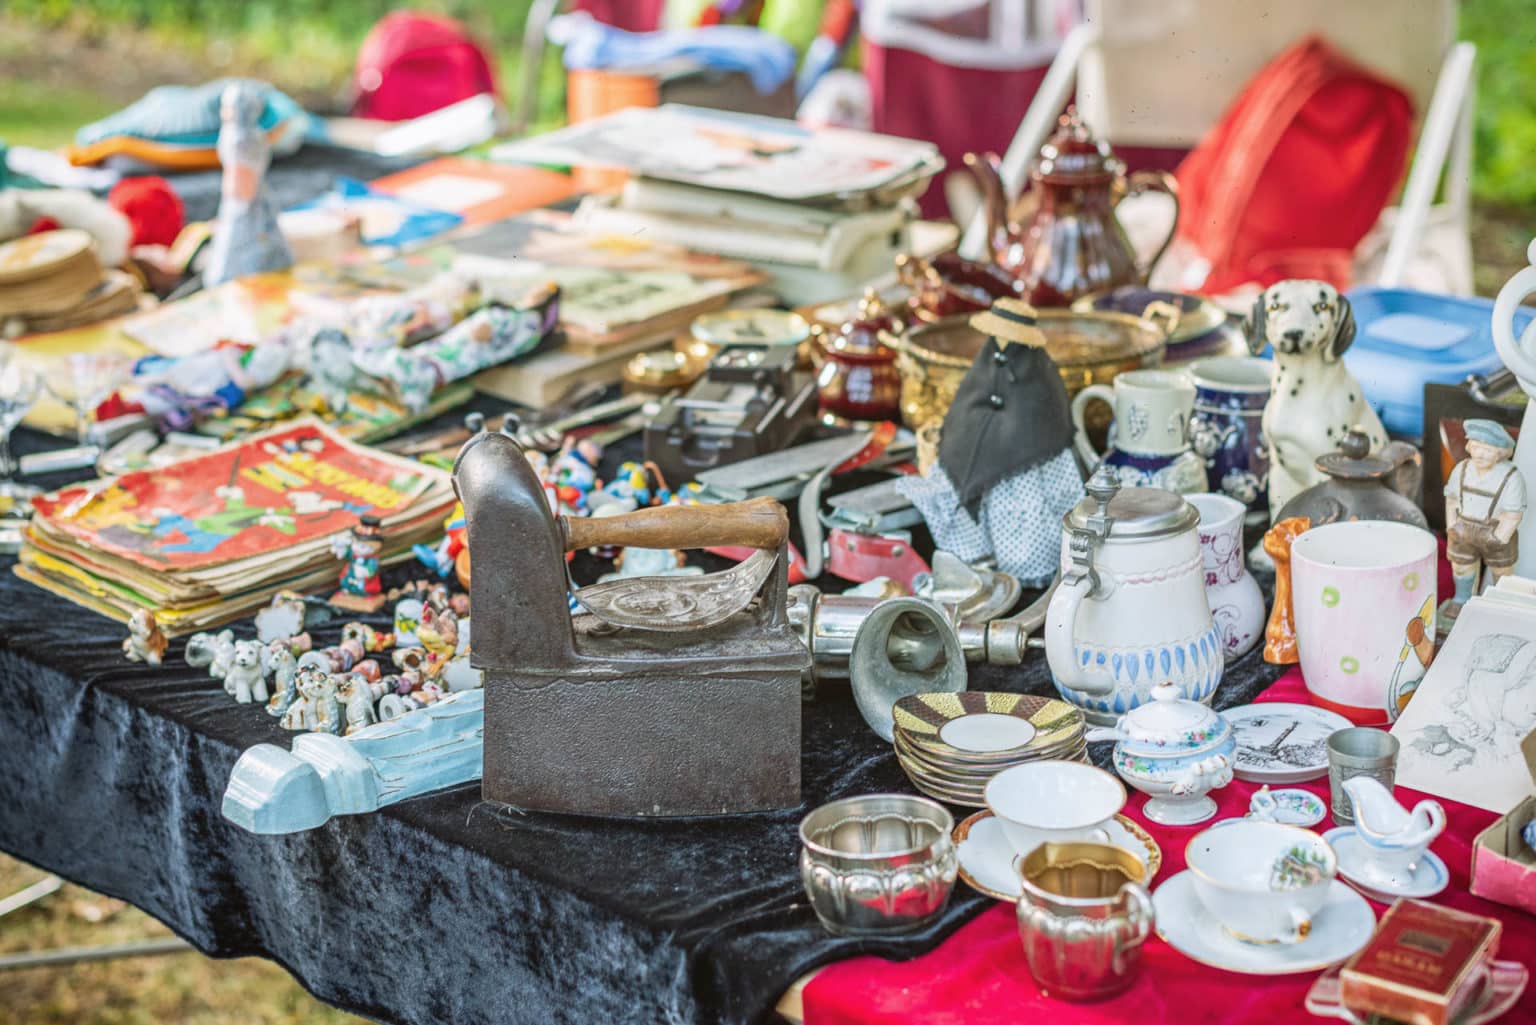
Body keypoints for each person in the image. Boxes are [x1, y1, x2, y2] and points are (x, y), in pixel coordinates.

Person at [897, 297, 1083, 586]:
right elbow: (967, 404)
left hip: (1025, 464)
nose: (1000, 339)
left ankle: (1025, 572)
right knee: (978, 510)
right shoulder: (988, 361)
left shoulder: (1039, 371)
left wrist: (1009, 435)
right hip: (987, 460)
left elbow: (1045, 415)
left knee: (1022, 518)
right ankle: (976, 562)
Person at [1442, 419, 1526, 621]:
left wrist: (1499, 537)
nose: (1480, 454)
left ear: (1500, 453)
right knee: (1462, 566)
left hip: (1495, 531)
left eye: (1487, 450)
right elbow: (1452, 500)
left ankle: (1501, 604)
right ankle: (1463, 599)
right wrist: (1452, 525)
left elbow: (1513, 514)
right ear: (1470, 447)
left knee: (1502, 571)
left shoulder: (1511, 477)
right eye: (1477, 448)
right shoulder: (1462, 469)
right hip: (1463, 529)